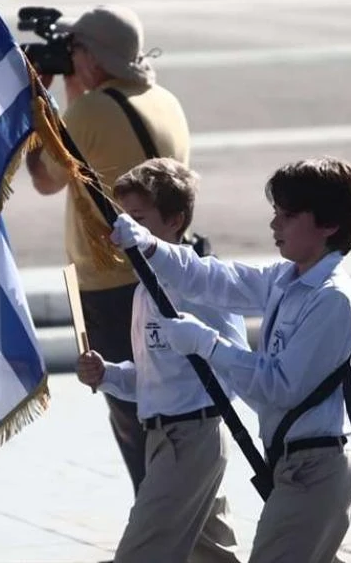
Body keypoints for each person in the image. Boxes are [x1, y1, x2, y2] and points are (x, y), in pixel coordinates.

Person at [111, 156, 351, 563]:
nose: (274, 226)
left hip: (315, 469)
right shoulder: (285, 280)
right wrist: (152, 246)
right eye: (276, 214)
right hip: (292, 465)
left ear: (328, 225)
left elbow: (279, 388)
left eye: (287, 216)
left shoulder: (332, 297)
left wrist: (209, 345)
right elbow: (212, 278)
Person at [25, 4, 190, 494]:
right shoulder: (164, 99)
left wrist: (39, 98)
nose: (69, 57)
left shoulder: (91, 111)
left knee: (133, 417)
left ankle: (156, 530)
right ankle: (179, 524)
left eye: (74, 49)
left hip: (110, 285)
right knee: (166, 413)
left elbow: (43, 179)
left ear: (93, 59)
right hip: (164, 275)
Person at [76, 158, 244, 562]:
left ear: (175, 221)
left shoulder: (201, 282)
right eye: (123, 218)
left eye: (137, 218)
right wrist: (109, 374)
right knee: (213, 555)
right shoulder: (144, 289)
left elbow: (235, 364)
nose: (122, 231)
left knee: (142, 551)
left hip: (190, 437)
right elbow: (152, 374)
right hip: (162, 436)